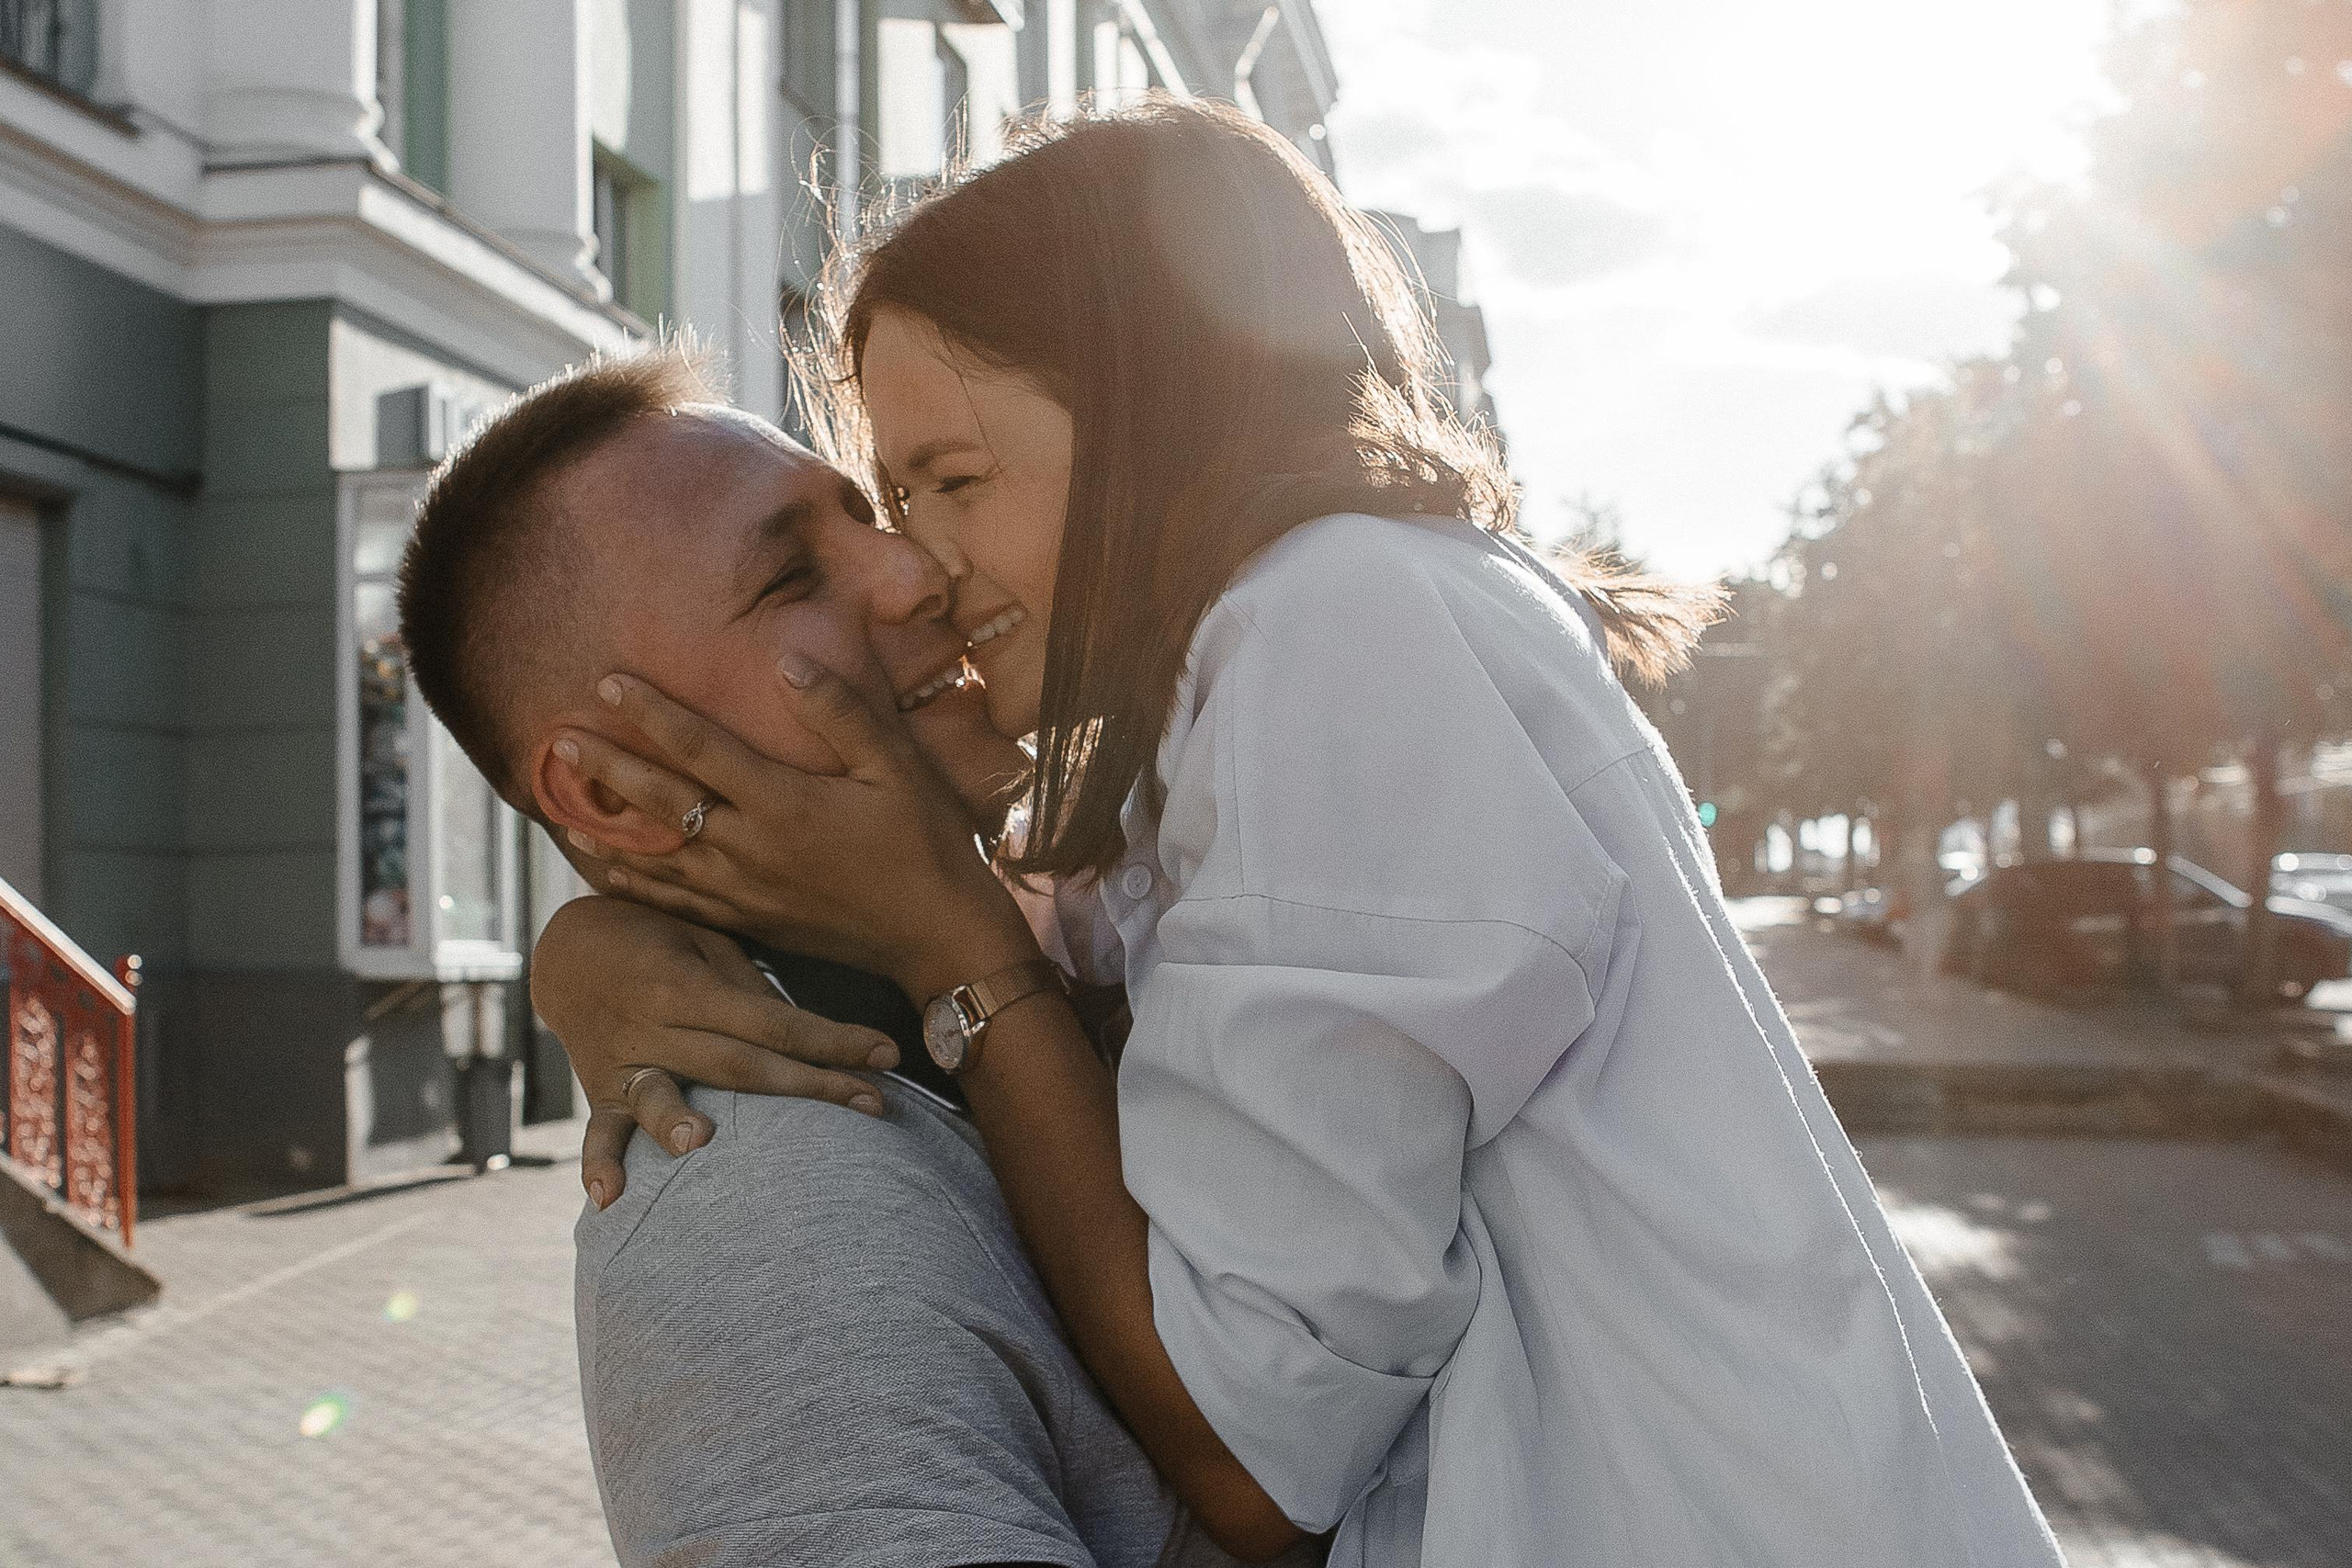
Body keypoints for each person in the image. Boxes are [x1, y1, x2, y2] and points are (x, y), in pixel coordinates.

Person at [534, 100, 2067, 1567]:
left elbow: (1253, 1446)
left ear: (1150, 414)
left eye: (951, 482)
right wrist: (596, 947)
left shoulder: (1331, 628)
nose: (919, 570)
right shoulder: (1284, 670)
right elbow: (1084, 982)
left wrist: (954, 947)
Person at [393, 349, 1303, 1568]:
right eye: (788, 577)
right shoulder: (762, 1223)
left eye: (870, 517)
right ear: (606, 785)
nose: (920, 571)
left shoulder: (1127, 891)